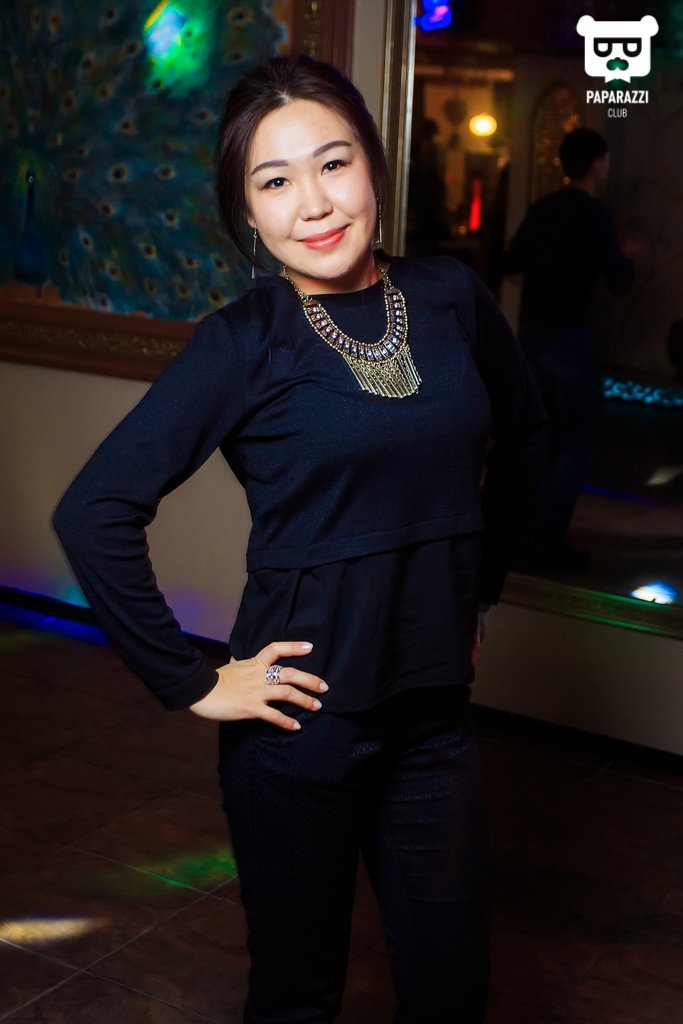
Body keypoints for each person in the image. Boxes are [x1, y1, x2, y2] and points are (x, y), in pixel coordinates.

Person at [53, 55, 547, 1024]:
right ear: (245, 209)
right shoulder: (241, 340)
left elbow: (528, 436)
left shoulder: (449, 296)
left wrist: (477, 593)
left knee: (450, 989)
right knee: (297, 997)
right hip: (297, 732)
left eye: (333, 163)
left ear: (372, 166)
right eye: (274, 181)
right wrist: (193, 681)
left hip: (432, 723)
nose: (313, 203)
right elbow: (94, 510)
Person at [504, 127, 636, 570]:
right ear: (597, 163)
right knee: (573, 444)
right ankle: (547, 543)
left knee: (537, 439)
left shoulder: (544, 208)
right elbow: (620, 281)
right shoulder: (596, 216)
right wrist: (628, 255)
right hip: (569, 339)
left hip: (533, 336)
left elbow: (511, 262)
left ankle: (523, 538)